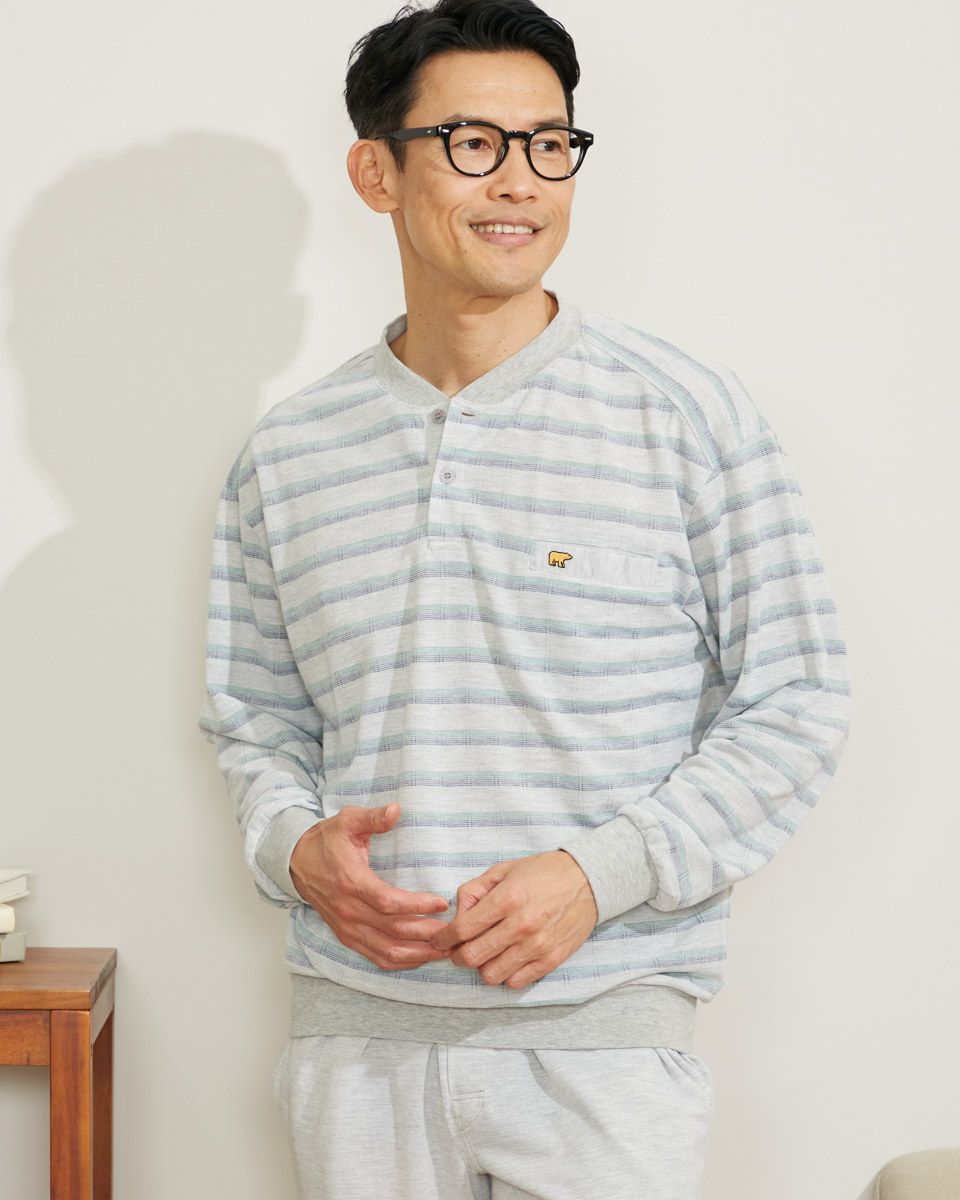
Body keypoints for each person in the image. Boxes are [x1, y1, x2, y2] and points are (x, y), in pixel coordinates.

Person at [198, 1, 852, 1196]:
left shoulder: (686, 417)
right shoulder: (288, 456)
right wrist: (296, 850)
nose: (522, 182)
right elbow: (256, 722)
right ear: (376, 171)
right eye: (474, 143)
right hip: (356, 1044)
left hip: (604, 1046)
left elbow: (798, 701)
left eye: (550, 144)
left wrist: (600, 872)